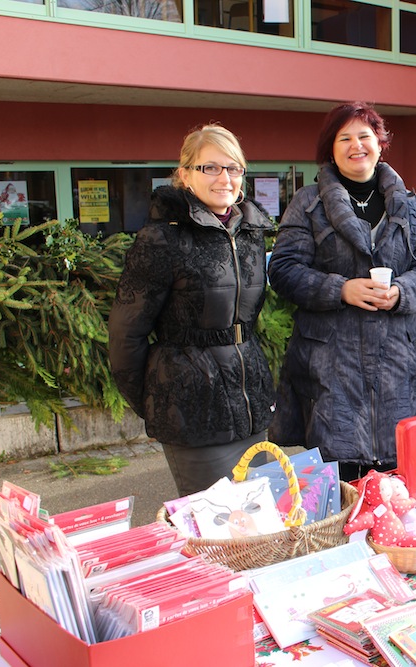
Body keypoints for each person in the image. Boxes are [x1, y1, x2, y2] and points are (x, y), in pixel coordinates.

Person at [267, 101, 416, 482]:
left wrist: (401, 291)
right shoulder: (307, 204)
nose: (355, 145)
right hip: (331, 366)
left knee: (397, 487)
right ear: (330, 149)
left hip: (395, 363)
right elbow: (282, 270)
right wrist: (340, 289)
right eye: (343, 137)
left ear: (380, 144)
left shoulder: (409, 204)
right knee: (340, 488)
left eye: (364, 136)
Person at [108, 124, 275, 497]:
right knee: (217, 531)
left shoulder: (249, 233)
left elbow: (244, 323)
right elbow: (125, 335)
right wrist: (161, 400)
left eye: (233, 168)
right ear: (185, 174)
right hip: (193, 412)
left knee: (257, 527)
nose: (224, 178)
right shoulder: (161, 238)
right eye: (210, 167)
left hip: (249, 409)